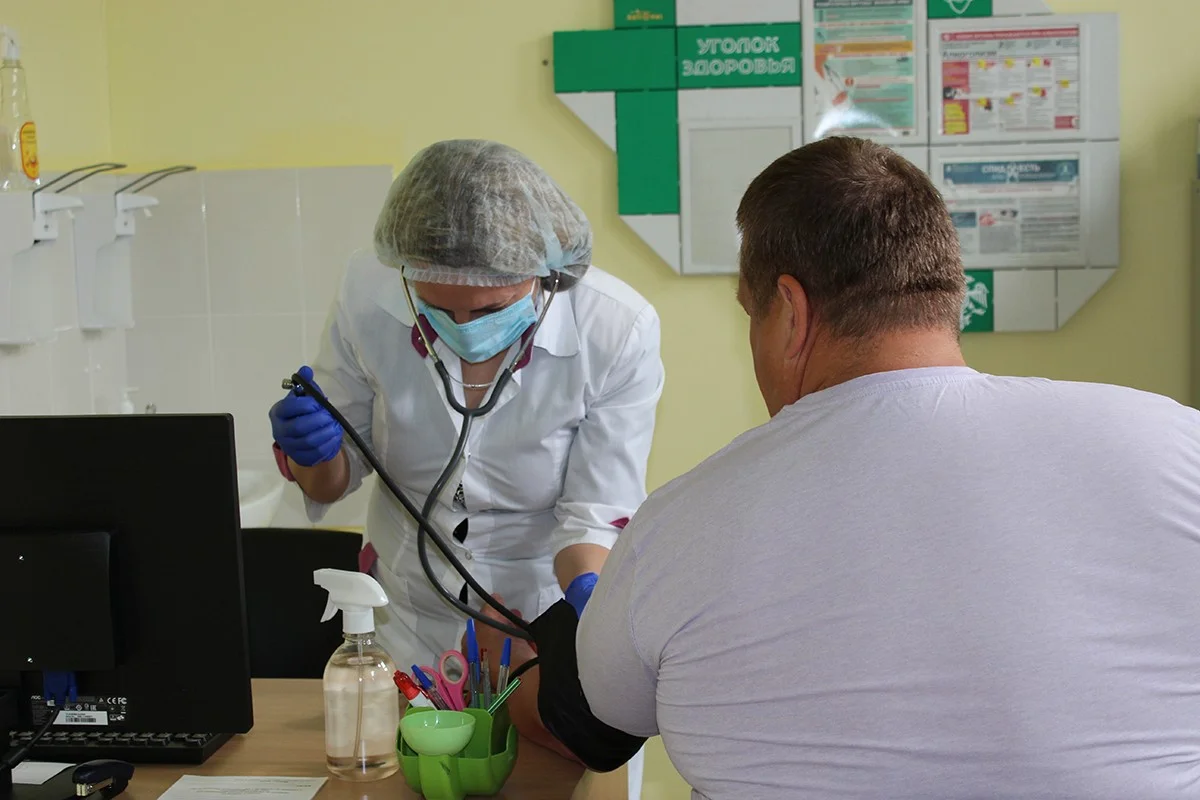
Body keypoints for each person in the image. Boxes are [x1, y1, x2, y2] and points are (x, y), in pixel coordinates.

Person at [576, 137, 1200, 798]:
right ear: (946, 294)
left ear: (791, 313)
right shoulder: (1176, 445)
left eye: (751, 315)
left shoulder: (681, 521)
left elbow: (612, 707)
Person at [267, 140, 664, 756]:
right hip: (405, 625)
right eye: (436, 309)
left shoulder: (615, 329)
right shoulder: (368, 291)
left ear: (546, 273)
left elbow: (593, 514)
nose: (464, 328)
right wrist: (312, 455)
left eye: (491, 308)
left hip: (536, 631)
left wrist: (592, 601)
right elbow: (333, 479)